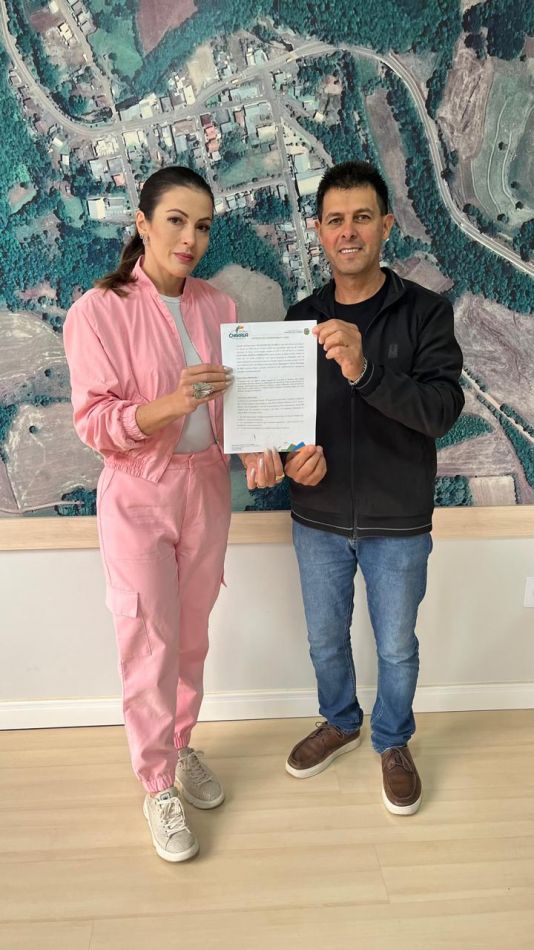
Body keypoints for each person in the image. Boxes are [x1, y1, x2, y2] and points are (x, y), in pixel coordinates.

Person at [246, 160, 464, 815]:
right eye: (335, 219)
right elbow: (284, 423)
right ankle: (340, 721)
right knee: (324, 640)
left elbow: (441, 411)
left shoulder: (426, 313)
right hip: (316, 518)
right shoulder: (300, 317)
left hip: (399, 522)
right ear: (319, 230)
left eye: (362, 217)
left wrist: (365, 370)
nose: (349, 231)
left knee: (396, 647)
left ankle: (393, 741)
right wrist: (291, 458)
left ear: (385, 225)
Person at [63, 166, 238, 862]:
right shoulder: (97, 311)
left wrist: (258, 449)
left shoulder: (220, 307)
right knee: (148, 640)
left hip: (208, 491)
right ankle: (157, 783)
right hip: (137, 495)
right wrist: (173, 403)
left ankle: (182, 744)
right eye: (176, 221)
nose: (190, 238)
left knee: (191, 638)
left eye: (203, 226)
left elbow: (239, 404)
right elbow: (94, 424)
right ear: (141, 223)